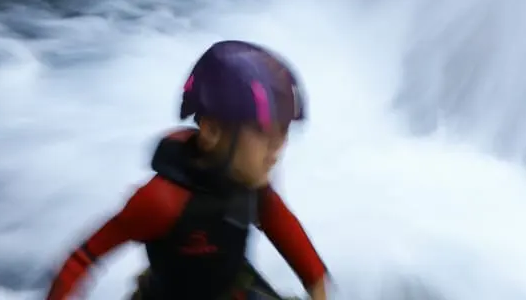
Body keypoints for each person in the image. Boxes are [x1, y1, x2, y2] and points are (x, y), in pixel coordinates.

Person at [44, 40, 329, 300]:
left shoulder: (251, 186)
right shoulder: (161, 202)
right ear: (212, 131)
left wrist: (317, 285)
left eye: (283, 133)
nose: (278, 148)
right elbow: (83, 258)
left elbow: (285, 230)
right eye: (263, 133)